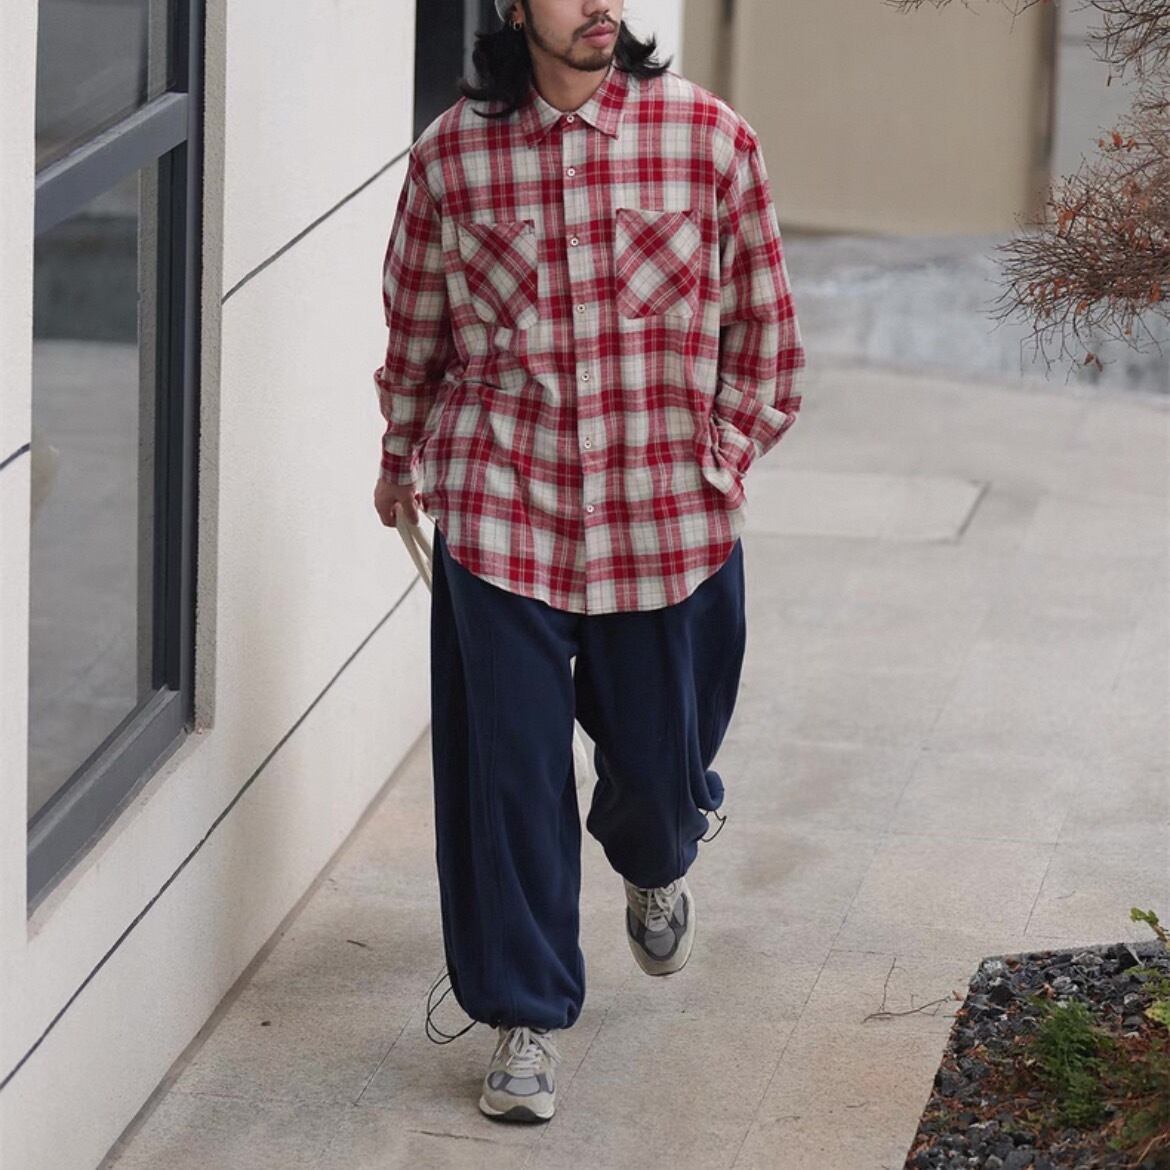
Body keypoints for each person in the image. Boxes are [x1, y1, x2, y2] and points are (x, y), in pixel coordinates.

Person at [371, 0, 806, 1125]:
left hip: (668, 526)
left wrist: (719, 457)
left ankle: (654, 859)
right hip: (504, 514)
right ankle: (523, 1014)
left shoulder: (709, 138)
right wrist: (400, 458)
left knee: (663, 777)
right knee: (508, 779)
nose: (600, 3)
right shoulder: (452, 157)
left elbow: (765, 336)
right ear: (515, 7)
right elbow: (417, 331)